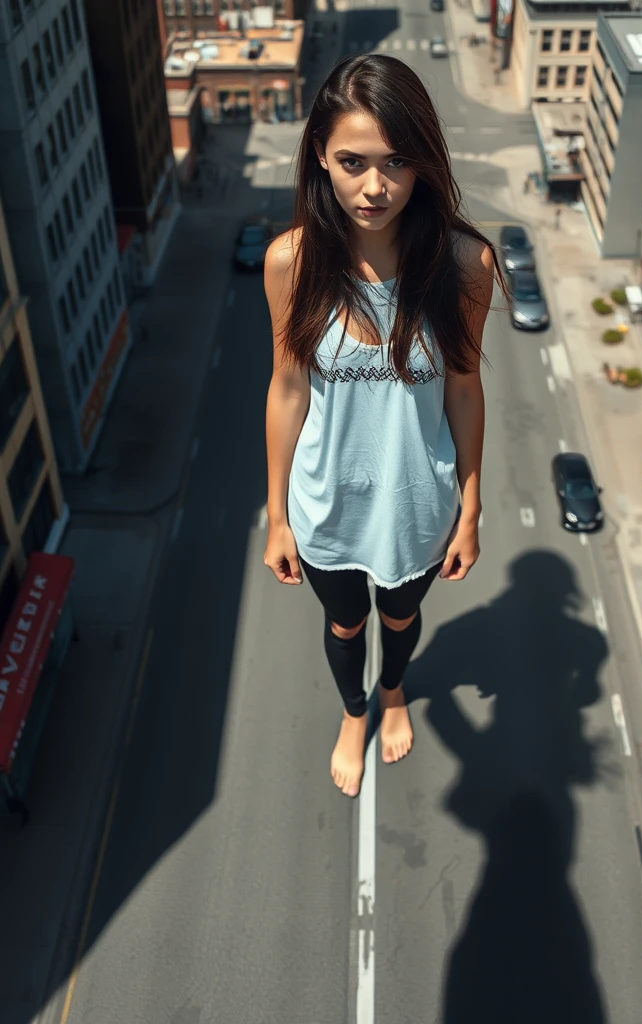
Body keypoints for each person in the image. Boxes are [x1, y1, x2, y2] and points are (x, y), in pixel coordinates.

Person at [262, 54, 499, 799]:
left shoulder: (464, 264)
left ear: (424, 161)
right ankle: (354, 709)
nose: (375, 186)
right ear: (321, 162)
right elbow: (288, 388)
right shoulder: (291, 264)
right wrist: (276, 516)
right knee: (344, 626)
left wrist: (471, 505)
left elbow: (464, 388)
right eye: (353, 162)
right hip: (326, 503)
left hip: (416, 506)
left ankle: (393, 692)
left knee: (400, 617)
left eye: (397, 161)